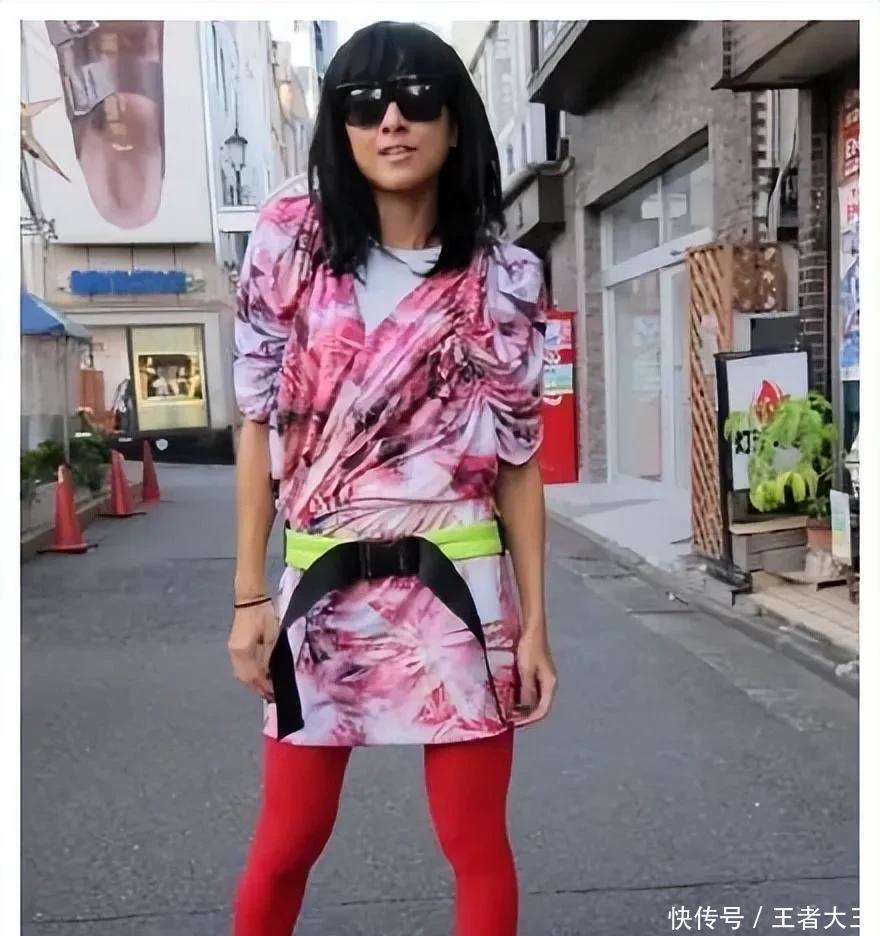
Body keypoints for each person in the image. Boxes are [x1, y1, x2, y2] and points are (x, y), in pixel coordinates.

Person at [229, 21, 557, 936]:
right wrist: (249, 594)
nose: (392, 120)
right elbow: (257, 423)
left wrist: (535, 626)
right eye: (364, 102)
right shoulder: (290, 247)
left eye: (418, 96)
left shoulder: (505, 278)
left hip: (460, 589)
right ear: (338, 127)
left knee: (476, 845)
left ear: (455, 121)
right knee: (286, 842)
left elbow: (518, 464)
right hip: (320, 587)